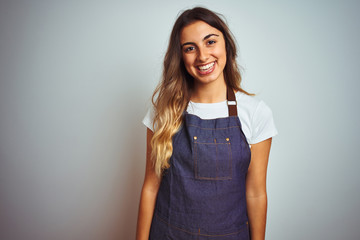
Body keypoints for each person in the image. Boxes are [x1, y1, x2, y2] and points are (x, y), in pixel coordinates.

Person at [136, 7, 277, 240]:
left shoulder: (256, 113)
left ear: (226, 45)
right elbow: (151, 187)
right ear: (180, 57)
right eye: (190, 48)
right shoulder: (164, 110)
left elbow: (255, 193)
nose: (202, 56)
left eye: (210, 42)